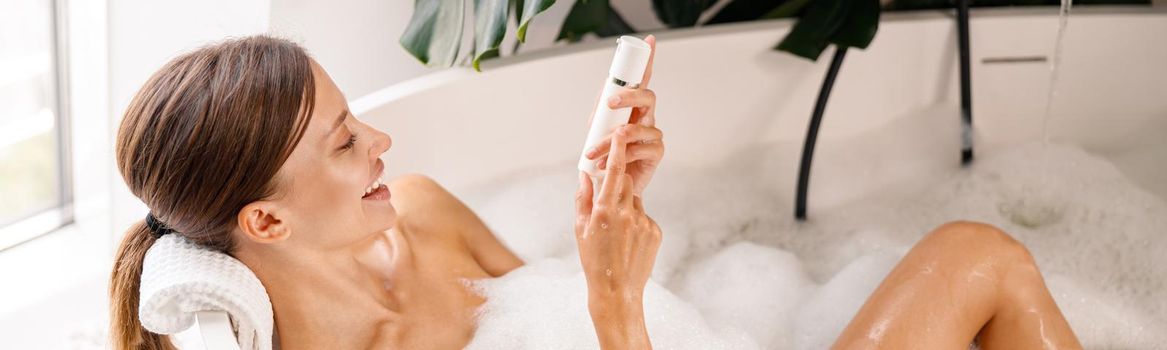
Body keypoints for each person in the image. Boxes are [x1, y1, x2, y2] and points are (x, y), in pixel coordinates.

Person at [109, 35, 1080, 350]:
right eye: (343, 142)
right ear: (265, 219)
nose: (382, 142)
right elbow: (602, 318)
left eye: (357, 115)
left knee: (976, 250)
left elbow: (556, 306)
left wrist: (597, 215)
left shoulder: (425, 211)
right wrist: (615, 299)